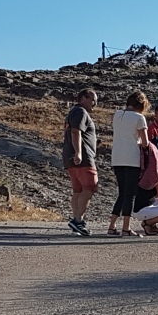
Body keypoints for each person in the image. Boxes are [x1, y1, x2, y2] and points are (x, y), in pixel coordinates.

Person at [108, 90, 151, 236]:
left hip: (117, 157)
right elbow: (145, 142)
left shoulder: (117, 115)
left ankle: (112, 226)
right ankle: (126, 228)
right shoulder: (139, 118)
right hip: (132, 157)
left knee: (122, 192)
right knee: (130, 194)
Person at [62, 88, 98, 236]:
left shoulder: (73, 112)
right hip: (83, 159)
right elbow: (76, 131)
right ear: (83, 98)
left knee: (78, 190)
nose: (95, 103)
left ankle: (77, 221)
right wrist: (79, 152)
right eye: (93, 100)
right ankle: (78, 221)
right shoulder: (80, 112)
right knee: (90, 187)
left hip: (71, 158)